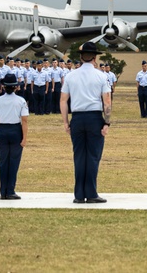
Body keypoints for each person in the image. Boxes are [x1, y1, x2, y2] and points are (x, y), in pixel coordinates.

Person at [60, 42, 112, 204]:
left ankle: (78, 194)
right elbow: (107, 102)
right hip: (94, 118)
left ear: (81, 57)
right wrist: (107, 123)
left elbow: (63, 100)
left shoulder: (70, 76)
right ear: (95, 58)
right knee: (93, 156)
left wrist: (66, 122)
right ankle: (91, 193)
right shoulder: (101, 76)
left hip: (77, 117)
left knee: (79, 156)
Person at [0, 73, 29, 199]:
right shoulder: (21, 101)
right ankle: (10, 190)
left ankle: (3, 192)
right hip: (16, 130)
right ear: (16, 87)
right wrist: (25, 138)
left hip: (3, 130)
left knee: (3, 162)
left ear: (3, 87)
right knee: (14, 162)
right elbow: (25, 120)